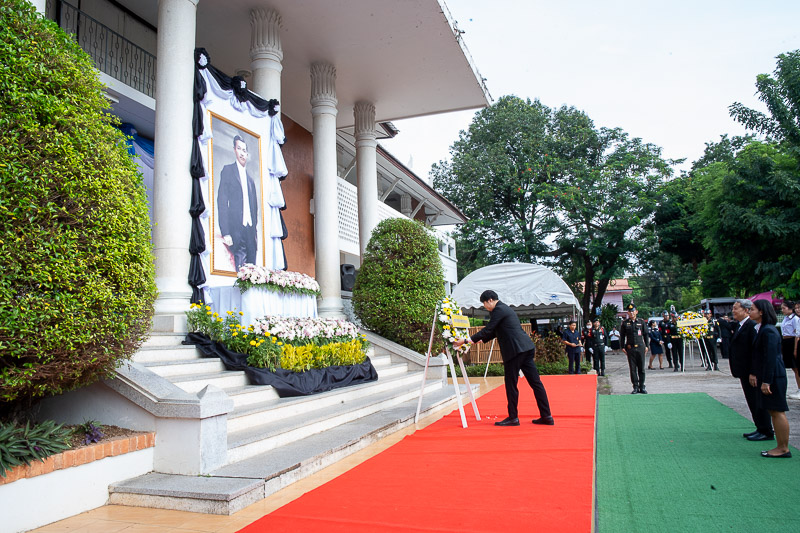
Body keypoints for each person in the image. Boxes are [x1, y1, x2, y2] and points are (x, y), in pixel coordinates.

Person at [453, 290, 553, 427]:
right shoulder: (505, 309)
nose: (485, 307)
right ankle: (547, 416)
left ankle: (513, 417)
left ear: (490, 300)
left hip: (515, 351)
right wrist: (476, 341)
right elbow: (494, 332)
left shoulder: (498, 310)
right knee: (536, 383)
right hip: (526, 348)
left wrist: (465, 340)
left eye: (484, 304)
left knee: (511, 385)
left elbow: (488, 329)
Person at [721, 299, 773, 441]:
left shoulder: (751, 326)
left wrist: (753, 372)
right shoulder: (740, 325)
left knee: (757, 401)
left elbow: (755, 352)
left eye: (736, 308)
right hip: (743, 370)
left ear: (746, 310)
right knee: (751, 401)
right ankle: (759, 427)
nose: (733, 311)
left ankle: (766, 429)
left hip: (751, 372)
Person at [750, 299, 791, 458]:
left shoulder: (768, 331)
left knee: (778, 411)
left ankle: (783, 448)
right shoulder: (763, 329)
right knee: (774, 411)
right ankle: (781, 446)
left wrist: (766, 381)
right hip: (770, 375)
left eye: (753, 309)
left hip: (774, 377)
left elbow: (770, 358)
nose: (750, 312)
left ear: (761, 312)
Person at [217, 135, 258, 271]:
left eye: (244, 150)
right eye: (239, 148)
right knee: (240, 275)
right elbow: (222, 202)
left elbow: (254, 209)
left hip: (250, 233)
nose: (242, 153)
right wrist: (226, 232)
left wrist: (255, 232)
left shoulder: (251, 181)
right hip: (236, 230)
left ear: (247, 153)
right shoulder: (228, 171)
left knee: (253, 274)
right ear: (234, 150)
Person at [619, 304, 649, 393]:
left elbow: (646, 334)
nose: (631, 313)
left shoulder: (641, 322)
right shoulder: (625, 323)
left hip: (640, 347)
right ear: (627, 312)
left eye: (633, 311)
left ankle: (642, 386)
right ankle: (635, 387)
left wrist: (647, 346)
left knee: (642, 368)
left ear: (636, 311)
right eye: (629, 311)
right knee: (632, 369)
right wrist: (622, 347)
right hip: (630, 348)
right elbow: (622, 336)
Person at [779, 301, 800, 400]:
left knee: (796, 367)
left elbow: (797, 334)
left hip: (792, 341)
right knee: (793, 367)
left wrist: (795, 348)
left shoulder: (795, 319)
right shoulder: (785, 319)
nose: (782, 310)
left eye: (784, 308)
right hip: (786, 342)